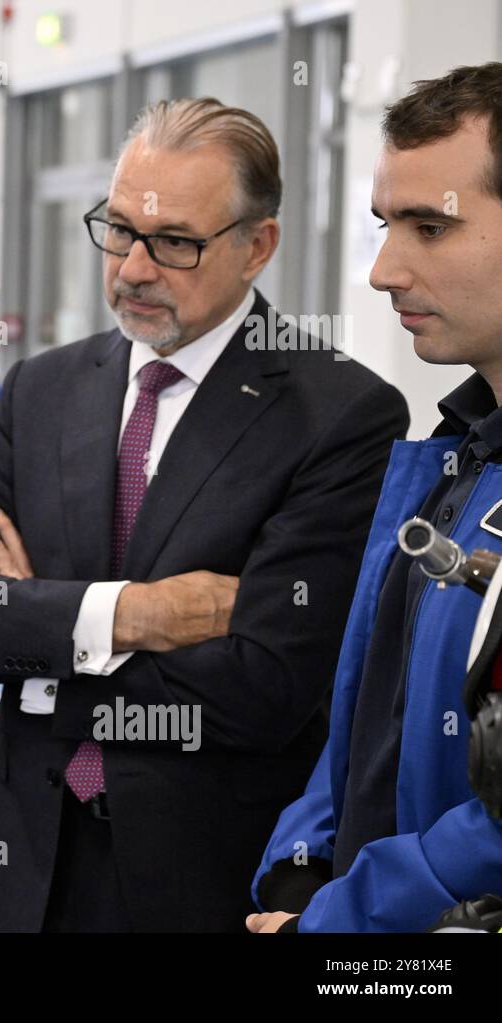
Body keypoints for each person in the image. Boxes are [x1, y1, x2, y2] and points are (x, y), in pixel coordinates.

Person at [0, 97, 409, 932]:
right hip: (26, 881)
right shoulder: (42, 390)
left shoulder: (340, 415)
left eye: (175, 242)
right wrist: (131, 613)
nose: (132, 268)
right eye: (120, 228)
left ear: (258, 247)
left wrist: (36, 642)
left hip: (205, 888)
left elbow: (265, 687)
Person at [251, 63, 502, 933]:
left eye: (429, 226)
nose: (384, 270)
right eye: (385, 225)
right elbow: (370, 717)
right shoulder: (454, 463)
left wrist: (348, 921)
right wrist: (303, 869)